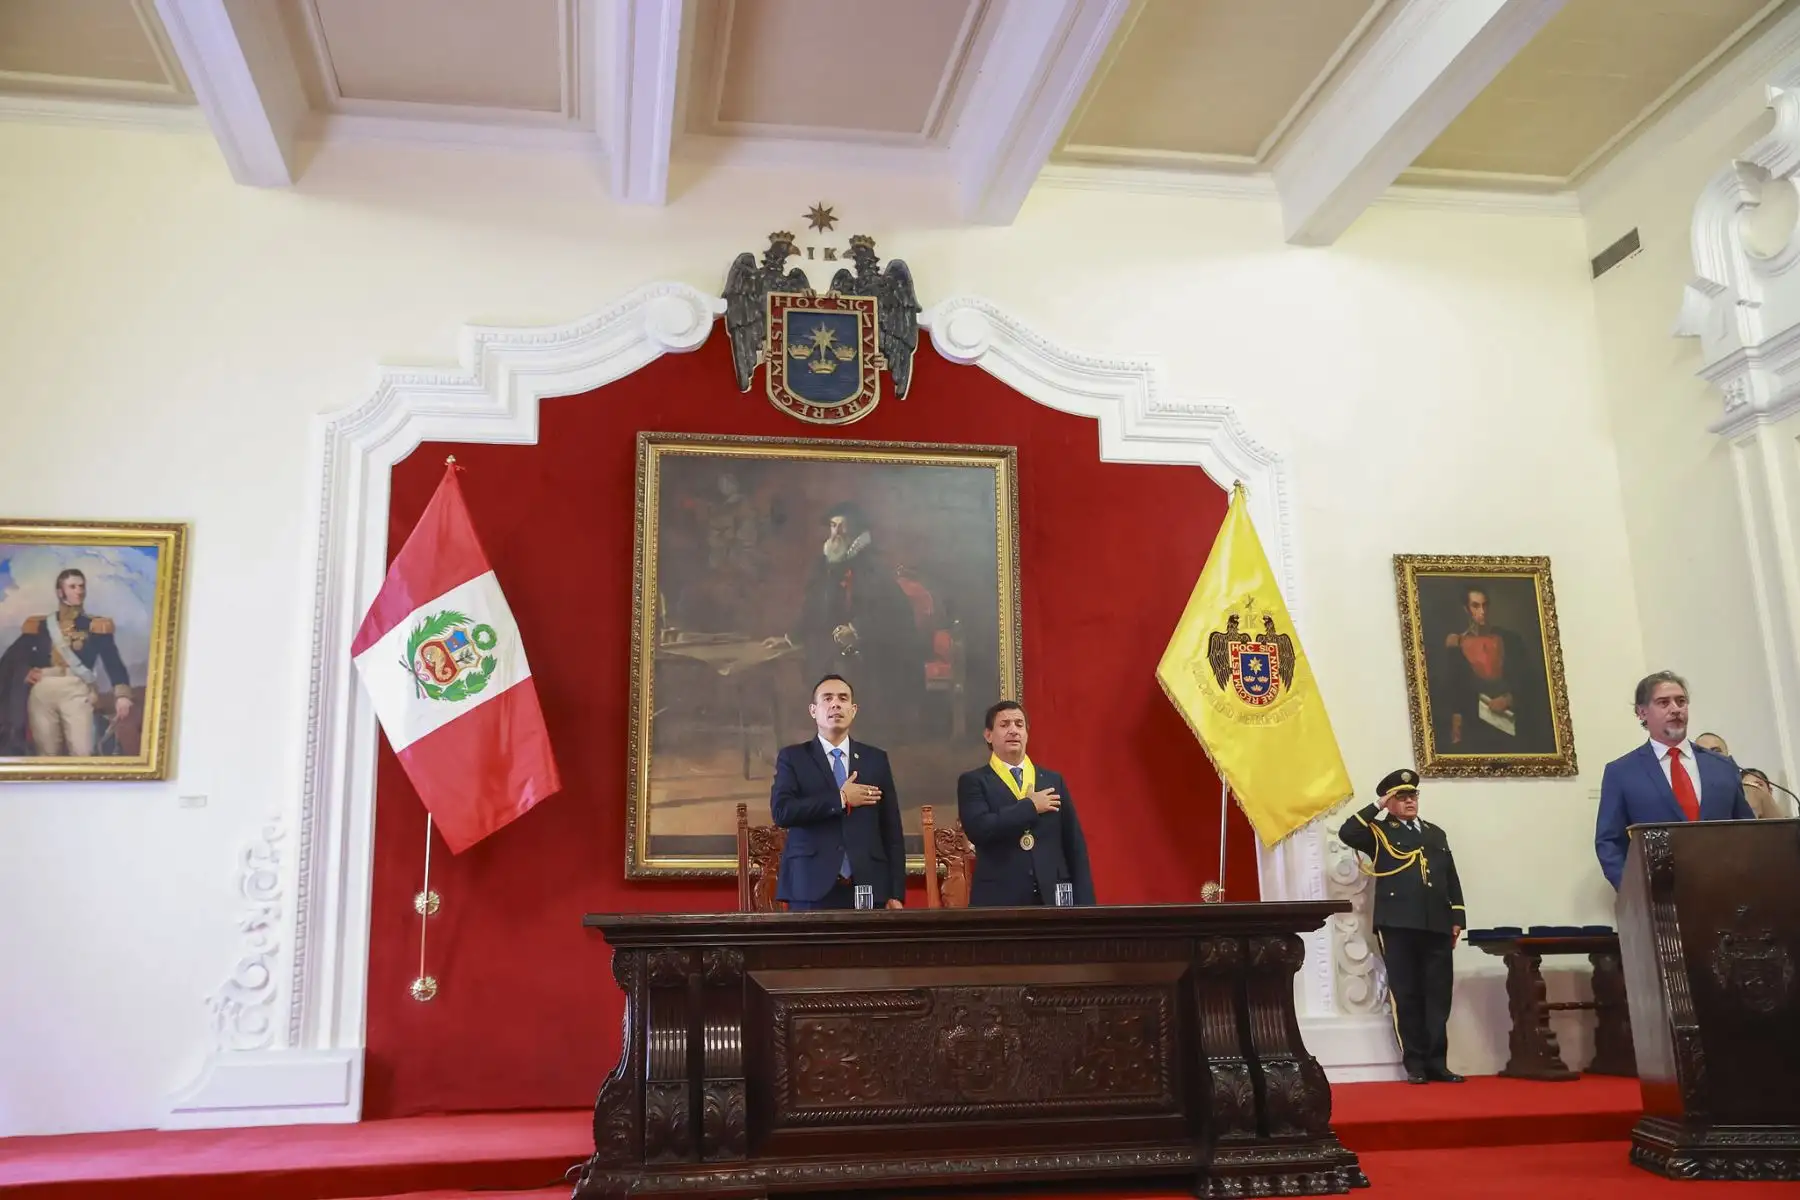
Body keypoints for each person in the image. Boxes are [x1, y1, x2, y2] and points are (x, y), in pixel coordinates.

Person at [1338, 769, 1465, 1086]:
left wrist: (1457, 917)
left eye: (1413, 796)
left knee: (1438, 996)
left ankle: (1438, 1063)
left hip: (1436, 922)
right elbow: (1347, 832)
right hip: (1398, 924)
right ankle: (1416, 1065)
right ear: (1390, 801)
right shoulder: (1379, 833)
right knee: (1407, 995)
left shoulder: (1435, 833)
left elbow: (1450, 876)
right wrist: (1377, 805)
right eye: (1402, 797)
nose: (1410, 802)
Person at [764, 501, 923, 742]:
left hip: (876, 644)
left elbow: (890, 612)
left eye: (843, 526)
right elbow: (812, 606)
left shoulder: (872, 565)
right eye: (833, 525)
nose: (836, 532)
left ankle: (863, 737)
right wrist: (789, 639)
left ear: (856, 530)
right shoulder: (825, 565)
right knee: (821, 662)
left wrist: (856, 629)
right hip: (834, 644)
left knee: (850, 671)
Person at [1595, 671, 1753, 888]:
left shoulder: (1722, 766)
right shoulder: (1622, 772)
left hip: (1727, 888)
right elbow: (1609, 842)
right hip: (1661, 894)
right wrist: (1633, 890)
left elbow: (1747, 830)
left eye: (1681, 701)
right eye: (1663, 702)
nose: (1675, 709)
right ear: (1642, 712)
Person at [769, 674, 905, 910]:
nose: (835, 704)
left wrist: (895, 892)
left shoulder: (875, 759)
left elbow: (891, 829)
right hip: (810, 885)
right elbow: (782, 812)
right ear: (813, 710)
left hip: (868, 885)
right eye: (827, 698)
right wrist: (841, 799)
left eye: (843, 699)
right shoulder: (793, 758)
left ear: (853, 710)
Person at [956, 700, 1094, 907]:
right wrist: (1030, 807)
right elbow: (980, 829)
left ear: (1027, 733)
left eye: (1019, 724)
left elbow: (1074, 844)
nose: (1013, 730)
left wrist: (1086, 907)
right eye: (1004, 725)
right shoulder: (974, 781)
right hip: (999, 900)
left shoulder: (1052, 780)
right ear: (988, 735)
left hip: (1052, 898)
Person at [0, 568, 133, 757]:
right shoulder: (40, 625)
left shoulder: (95, 626)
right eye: (72, 587)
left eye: (81, 586)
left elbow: (112, 661)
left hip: (76, 691)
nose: (79, 591)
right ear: (60, 592)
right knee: (46, 755)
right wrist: (25, 671)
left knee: (83, 753)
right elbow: (13, 657)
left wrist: (122, 695)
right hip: (42, 692)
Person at [1439, 584, 1547, 754]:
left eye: (1485, 605)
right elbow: (1455, 688)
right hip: (1475, 725)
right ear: (1466, 609)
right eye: (1476, 606)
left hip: (1509, 720)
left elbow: (1531, 680)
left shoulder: (1510, 639)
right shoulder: (1456, 643)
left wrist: (1509, 699)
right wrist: (1456, 726)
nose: (1482, 611)